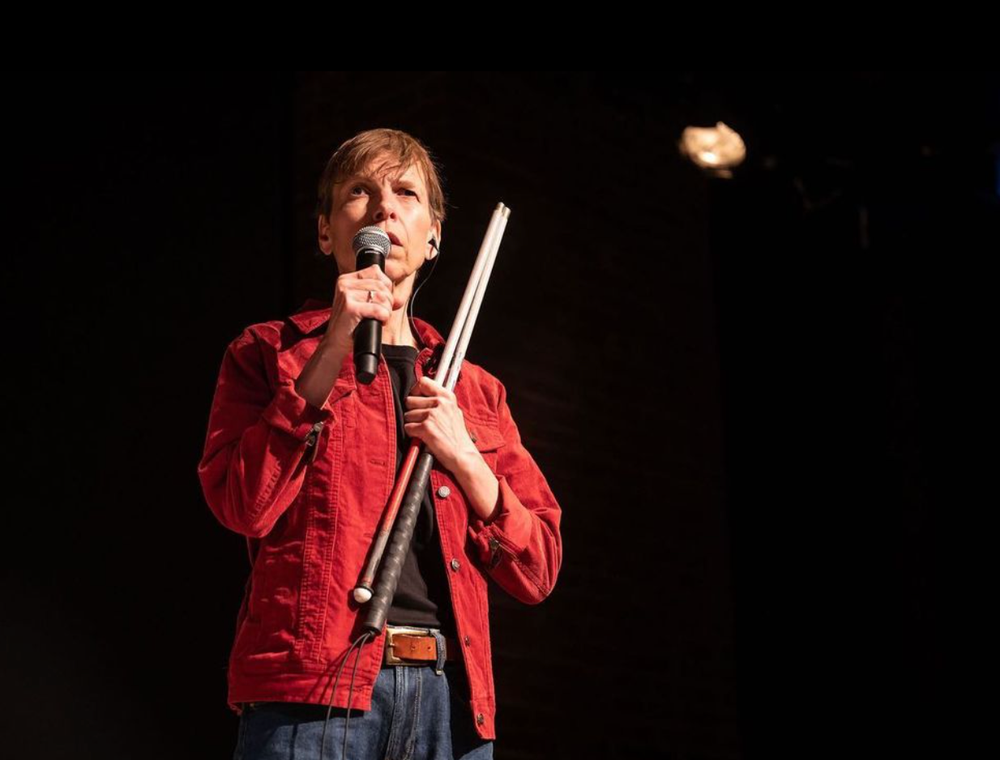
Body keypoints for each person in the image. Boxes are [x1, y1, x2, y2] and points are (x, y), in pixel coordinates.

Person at [198, 128, 563, 760]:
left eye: (405, 193)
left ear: (434, 235)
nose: (384, 208)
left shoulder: (471, 389)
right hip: (312, 692)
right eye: (358, 193)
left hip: (449, 700)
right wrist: (333, 350)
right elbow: (242, 506)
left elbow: (538, 569)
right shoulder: (267, 353)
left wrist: (466, 459)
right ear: (325, 231)